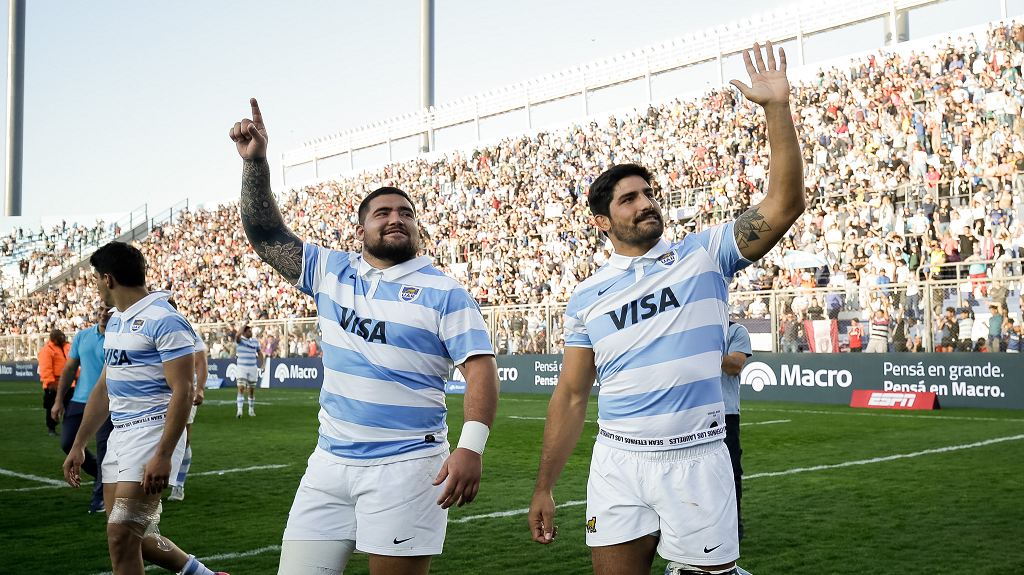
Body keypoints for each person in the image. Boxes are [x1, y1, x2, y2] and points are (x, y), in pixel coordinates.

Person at [528, 42, 803, 575]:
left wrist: (776, 109)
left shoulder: (704, 254)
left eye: (648, 193)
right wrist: (544, 486)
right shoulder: (586, 297)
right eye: (628, 198)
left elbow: (784, 202)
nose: (645, 202)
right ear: (602, 222)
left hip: (697, 457)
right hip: (617, 461)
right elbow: (571, 392)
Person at [230, 98, 500, 575]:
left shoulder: (446, 292)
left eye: (405, 213)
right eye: (382, 212)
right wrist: (256, 164)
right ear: (361, 228)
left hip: (408, 468)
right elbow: (265, 233)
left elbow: (480, 370)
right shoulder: (330, 269)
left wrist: (471, 446)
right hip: (328, 464)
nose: (395, 218)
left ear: (417, 227)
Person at [61, 242, 228, 575]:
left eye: (95, 279)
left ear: (108, 279)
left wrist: (164, 454)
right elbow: (104, 388)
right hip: (120, 436)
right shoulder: (118, 322)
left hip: (151, 433)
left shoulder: (165, 320)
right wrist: (79, 444)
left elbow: (184, 390)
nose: (96, 286)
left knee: (121, 536)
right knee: (140, 537)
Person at [52, 303, 114, 512]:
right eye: (101, 309)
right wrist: (59, 400)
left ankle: (100, 498)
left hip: (108, 400)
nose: (104, 313)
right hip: (79, 399)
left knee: (105, 450)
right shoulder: (82, 336)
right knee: (68, 443)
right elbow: (69, 368)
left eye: (109, 310)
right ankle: (101, 475)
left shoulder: (120, 336)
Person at [169, 308, 208, 502]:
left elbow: (201, 363)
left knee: (183, 438)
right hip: (157, 393)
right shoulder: (150, 329)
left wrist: (200, 389)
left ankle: (179, 485)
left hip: (184, 392)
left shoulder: (189, 333)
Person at [720, 322, 751, 541]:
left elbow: (734, 367)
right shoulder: (691, 326)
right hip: (691, 410)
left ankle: (733, 524)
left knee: (731, 472)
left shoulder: (735, 330)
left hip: (725, 412)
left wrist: (701, 347)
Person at [40, 329, 73, 436]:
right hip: (55, 384)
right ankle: (51, 428)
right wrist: (50, 382)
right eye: (60, 336)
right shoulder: (46, 350)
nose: (63, 338)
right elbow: (46, 368)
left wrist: (77, 378)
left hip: (69, 384)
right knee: (51, 407)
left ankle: (69, 428)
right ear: (54, 338)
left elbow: (74, 365)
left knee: (71, 407)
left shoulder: (68, 347)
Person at [234, 325, 263, 418]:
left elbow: (259, 353)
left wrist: (263, 364)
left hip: (252, 367)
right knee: (241, 387)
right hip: (242, 367)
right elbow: (237, 336)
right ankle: (239, 411)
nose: (251, 333)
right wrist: (242, 326)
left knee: (251, 389)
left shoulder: (255, 341)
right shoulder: (240, 340)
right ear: (244, 332)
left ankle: (251, 410)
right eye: (249, 331)